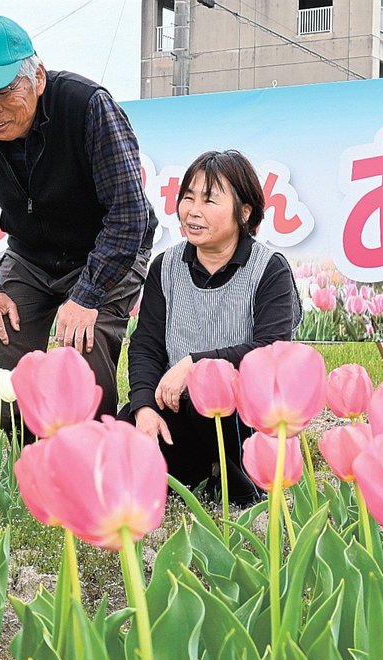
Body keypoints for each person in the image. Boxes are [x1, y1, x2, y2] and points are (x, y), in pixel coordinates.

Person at [0, 14, 156, 432]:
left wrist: (87, 296)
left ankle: (93, 448)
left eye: (2, 91)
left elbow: (127, 215)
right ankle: (27, 454)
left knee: (83, 347)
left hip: (105, 249)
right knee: (0, 339)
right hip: (31, 254)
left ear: (38, 77)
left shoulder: (87, 107)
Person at [125, 150, 302, 506]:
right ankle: (203, 472)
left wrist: (195, 365)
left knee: (209, 405)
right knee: (123, 435)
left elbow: (271, 349)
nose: (193, 211)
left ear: (244, 212)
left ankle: (242, 483)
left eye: (209, 200)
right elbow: (146, 345)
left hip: (242, 414)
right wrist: (143, 406)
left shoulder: (269, 269)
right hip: (178, 407)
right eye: (188, 197)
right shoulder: (165, 266)